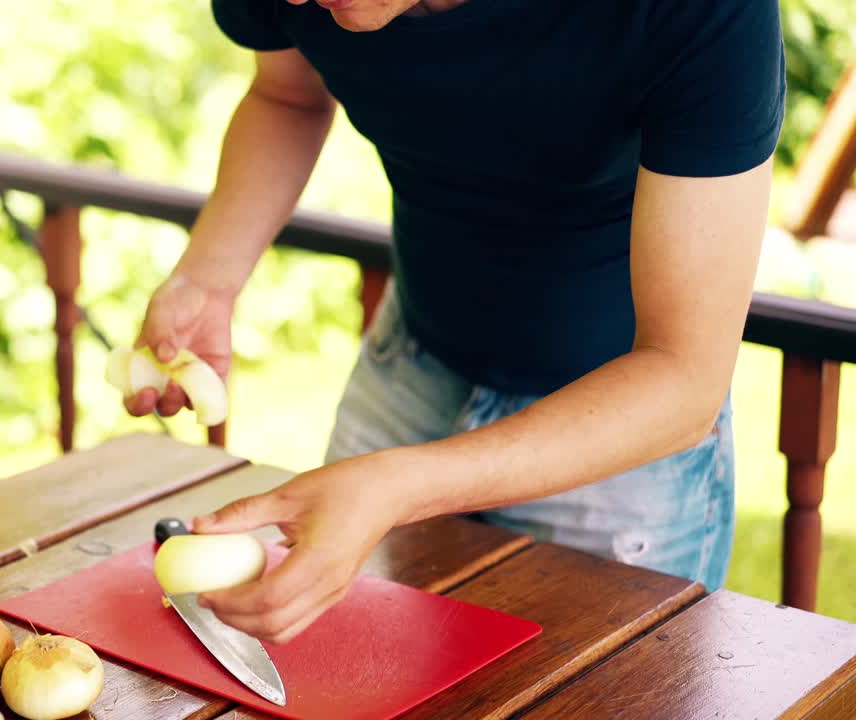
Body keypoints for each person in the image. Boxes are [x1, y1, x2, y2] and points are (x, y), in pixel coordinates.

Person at [124, 0, 786, 645]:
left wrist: (398, 486)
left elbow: (684, 378)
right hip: (410, 365)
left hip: (620, 438)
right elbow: (287, 95)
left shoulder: (702, 10)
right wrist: (208, 278)